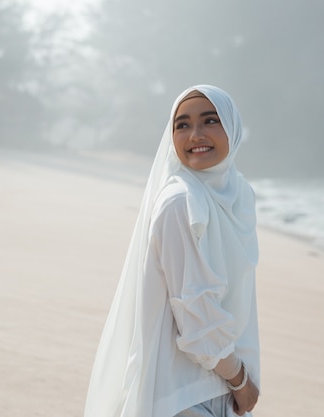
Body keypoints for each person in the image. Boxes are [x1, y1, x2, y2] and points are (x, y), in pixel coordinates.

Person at [84, 85, 260, 417]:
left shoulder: (238, 197)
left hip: (217, 384)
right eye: (182, 124)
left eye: (210, 121)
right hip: (177, 393)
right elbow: (196, 313)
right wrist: (241, 381)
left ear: (233, 128)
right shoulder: (181, 203)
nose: (195, 134)